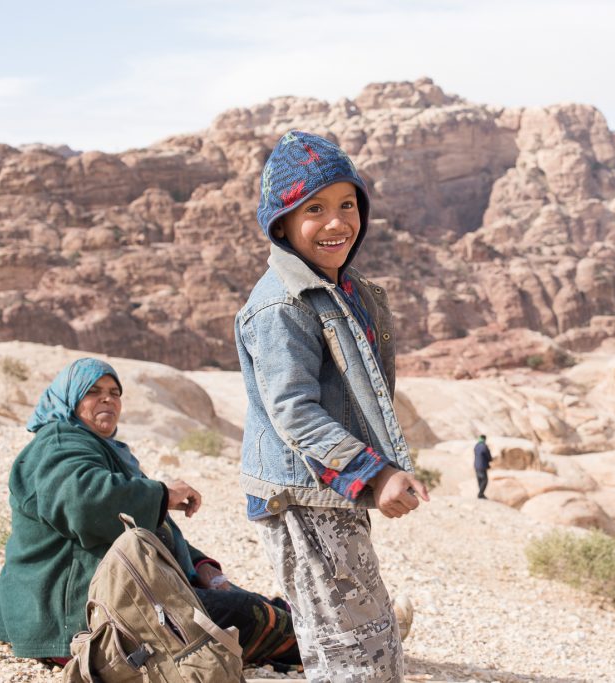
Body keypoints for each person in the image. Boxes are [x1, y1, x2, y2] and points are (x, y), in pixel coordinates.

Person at [236, 130, 429, 682]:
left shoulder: (339, 288)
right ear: (282, 222)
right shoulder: (281, 304)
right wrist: (374, 472)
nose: (337, 222)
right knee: (354, 655)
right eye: (314, 208)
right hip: (304, 496)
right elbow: (293, 412)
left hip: (326, 491)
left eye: (348, 204)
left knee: (358, 642)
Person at [0, 358, 301, 669]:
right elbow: (85, 504)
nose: (107, 398)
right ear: (69, 398)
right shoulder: (57, 444)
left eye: (114, 392)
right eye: (93, 391)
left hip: (115, 595)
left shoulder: (100, 449)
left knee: (244, 601)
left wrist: (202, 567)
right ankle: (314, 646)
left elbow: (149, 529)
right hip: (69, 617)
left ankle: (304, 634)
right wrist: (162, 494)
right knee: (241, 614)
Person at [473, 435, 493, 499]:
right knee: (485, 480)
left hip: (476, 465)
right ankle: (480, 494)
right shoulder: (484, 446)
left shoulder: (476, 446)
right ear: (484, 439)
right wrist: (490, 459)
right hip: (482, 466)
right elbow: (488, 456)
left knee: (480, 480)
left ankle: (481, 493)